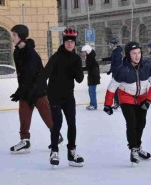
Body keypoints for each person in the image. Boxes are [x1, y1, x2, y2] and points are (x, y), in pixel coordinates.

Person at [103, 41, 151, 166]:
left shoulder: (147, 65)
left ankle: (138, 147)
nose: (137, 56)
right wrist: (107, 104)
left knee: (141, 123)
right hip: (126, 97)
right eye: (134, 53)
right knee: (132, 122)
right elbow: (112, 87)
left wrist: (149, 100)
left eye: (139, 52)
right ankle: (133, 149)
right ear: (128, 55)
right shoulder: (122, 69)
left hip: (143, 97)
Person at [9, 24, 63, 154]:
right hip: (25, 89)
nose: (12, 38)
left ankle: (57, 135)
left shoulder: (31, 54)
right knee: (23, 115)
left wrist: (28, 91)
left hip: (37, 90)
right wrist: (20, 91)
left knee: (47, 115)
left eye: (14, 35)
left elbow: (33, 75)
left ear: (21, 37)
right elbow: (22, 75)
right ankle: (25, 141)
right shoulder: (17, 52)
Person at [36, 28, 85, 168]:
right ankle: (54, 151)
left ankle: (71, 152)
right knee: (57, 123)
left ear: (75, 44)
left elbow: (80, 79)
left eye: (72, 42)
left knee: (72, 124)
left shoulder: (76, 59)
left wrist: (78, 66)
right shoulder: (56, 57)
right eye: (67, 41)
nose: (70, 44)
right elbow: (44, 75)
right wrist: (43, 91)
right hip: (55, 96)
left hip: (69, 96)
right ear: (64, 42)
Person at [101, 37, 123, 109]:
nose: (109, 46)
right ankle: (118, 102)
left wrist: (110, 70)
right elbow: (112, 58)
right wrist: (104, 59)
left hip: (117, 73)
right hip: (115, 72)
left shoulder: (118, 52)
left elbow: (117, 64)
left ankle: (117, 102)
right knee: (116, 87)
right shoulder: (115, 51)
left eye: (110, 44)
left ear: (114, 45)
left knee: (115, 87)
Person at [81, 44, 100, 110]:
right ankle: (93, 104)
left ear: (87, 51)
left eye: (83, 52)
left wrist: (79, 69)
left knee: (92, 91)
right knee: (91, 91)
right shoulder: (90, 57)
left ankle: (93, 105)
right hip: (92, 77)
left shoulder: (90, 59)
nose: (82, 53)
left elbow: (87, 68)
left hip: (93, 78)